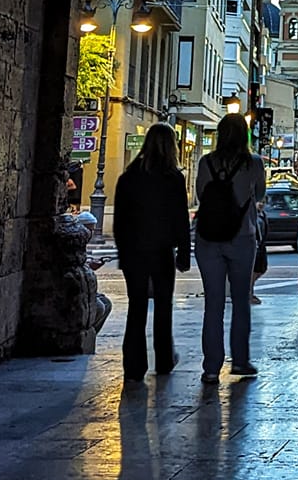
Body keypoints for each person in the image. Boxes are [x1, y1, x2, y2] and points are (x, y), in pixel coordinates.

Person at [111, 123, 191, 383]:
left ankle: (133, 366)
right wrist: (184, 252)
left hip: (134, 251)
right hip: (161, 250)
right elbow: (181, 219)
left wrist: (123, 252)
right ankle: (164, 359)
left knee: (137, 307)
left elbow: (120, 221)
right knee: (163, 306)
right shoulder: (173, 179)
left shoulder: (129, 177)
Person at [193, 112, 267, 383]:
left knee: (213, 304)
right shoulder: (254, 163)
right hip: (242, 237)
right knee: (240, 302)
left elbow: (202, 194)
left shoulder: (206, 162)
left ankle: (211, 367)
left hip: (208, 239)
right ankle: (241, 361)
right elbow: (259, 194)